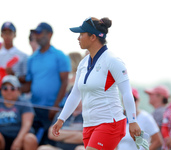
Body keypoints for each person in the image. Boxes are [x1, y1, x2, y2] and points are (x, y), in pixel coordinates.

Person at [51, 17, 141, 150]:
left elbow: (127, 92)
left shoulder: (113, 60)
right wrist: (61, 119)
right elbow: (75, 94)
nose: (78, 38)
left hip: (110, 123)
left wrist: (132, 121)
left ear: (93, 37)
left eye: (81, 34)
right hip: (89, 125)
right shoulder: (83, 63)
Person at [23, 22, 71, 145]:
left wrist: (55, 107)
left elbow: (64, 82)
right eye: (35, 33)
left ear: (49, 34)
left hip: (53, 110)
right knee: (31, 141)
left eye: (39, 33)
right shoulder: (32, 58)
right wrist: (11, 88)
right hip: (34, 109)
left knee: (50, 143)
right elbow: (28, 85)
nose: (36, 36)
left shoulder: (60, 56)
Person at [0, 75, 38, 150]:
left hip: (20, 136)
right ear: (1, 90)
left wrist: (18, 140)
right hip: (1, 137)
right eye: (5, 88)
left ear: (18, 90)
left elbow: (27, 125)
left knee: (30, 138)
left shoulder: (25, 103)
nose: (8, 91)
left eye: (12, 88)